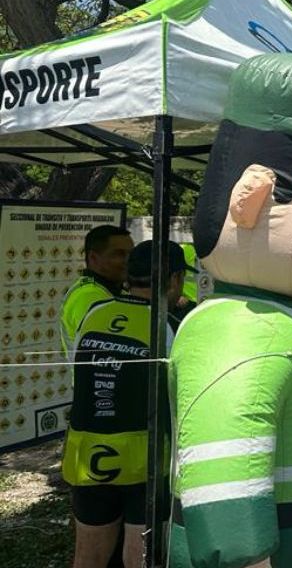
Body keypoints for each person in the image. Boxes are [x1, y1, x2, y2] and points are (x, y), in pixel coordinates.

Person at [63, 240, 188, 568]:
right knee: (141, 560)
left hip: (86, 454)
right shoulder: (171, 326)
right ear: (174, 279)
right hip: (143, 464)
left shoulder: (94, 312)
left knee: (87, 559)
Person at [60, 225, 133, 353]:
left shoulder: (112, 290)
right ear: (93, 258)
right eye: (119, 254)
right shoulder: (89, 295)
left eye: (131, 254)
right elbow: (108, 350)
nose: (128, 260)